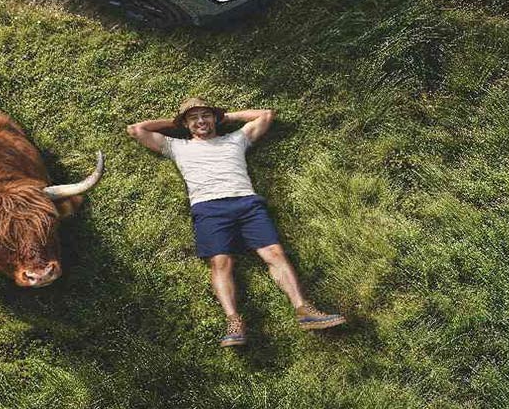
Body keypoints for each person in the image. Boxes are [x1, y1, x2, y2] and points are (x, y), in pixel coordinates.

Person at [126, 98, 346, 347]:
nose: (201, 121)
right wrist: (177, 123)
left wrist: (226, 117)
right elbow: (136, 130)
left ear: (215, 119)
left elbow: (266, 114)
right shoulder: (177, 146)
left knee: (274, 253)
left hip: (247, 203)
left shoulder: (236, 138)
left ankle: (303, 309)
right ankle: (233, 322)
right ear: (186, 125)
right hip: (208, 208)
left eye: (206, 116)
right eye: (194, 118)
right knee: (221, 263)